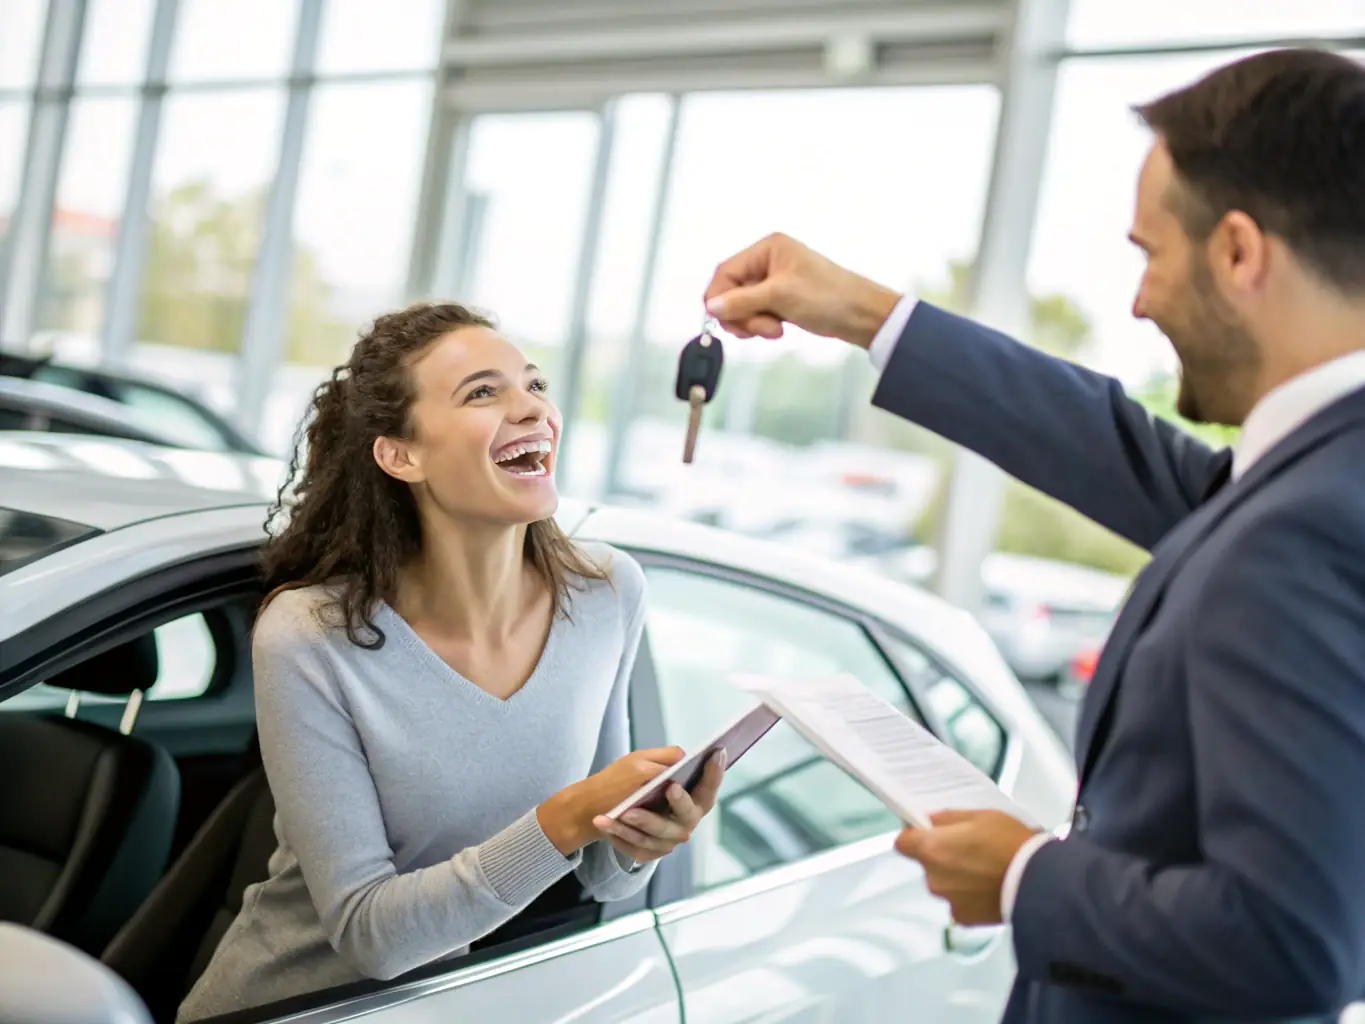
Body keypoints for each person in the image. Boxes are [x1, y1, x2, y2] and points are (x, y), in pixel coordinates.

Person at [704, 47, 1365, 1024]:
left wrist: (1022, 877)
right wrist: (867, 314)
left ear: (1237, 252)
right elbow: (1123, 452)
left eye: (1150, 254)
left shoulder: (1305, 528)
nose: (1139, 301)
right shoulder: (1320, 475)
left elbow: (1296, 939)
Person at [178, 302, 723, 1022]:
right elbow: (370, 937)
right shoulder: (310, 635)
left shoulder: (606, 594)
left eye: (534, 384)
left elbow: (601, 875)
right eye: (483, 393)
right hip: (288, 1006)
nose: (532, 408)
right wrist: (567, 816)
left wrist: (641, 838)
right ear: (401, 455)